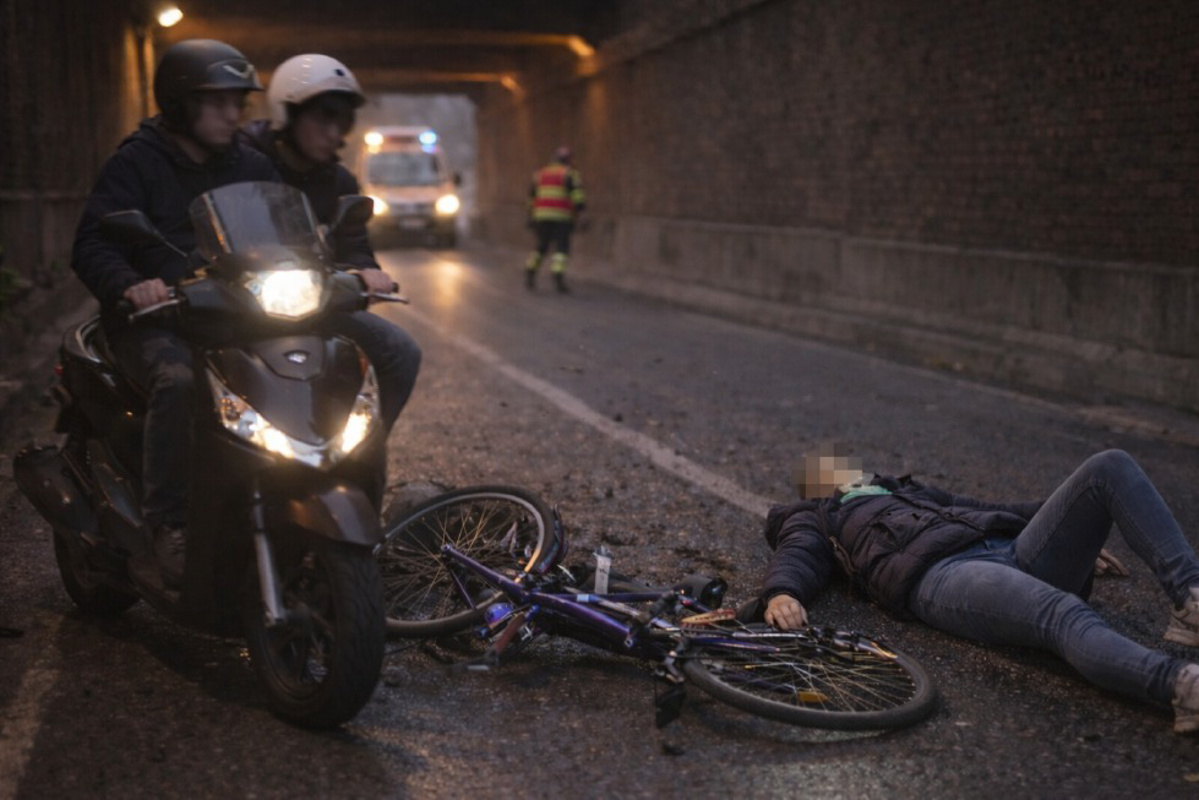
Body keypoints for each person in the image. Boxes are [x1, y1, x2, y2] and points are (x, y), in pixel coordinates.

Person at [757, 445, 1199, 734]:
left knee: (1109, 467)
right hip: (945, 574)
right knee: (1061, 613)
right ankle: (1179, 688)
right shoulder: (814, 515)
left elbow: (989, 509)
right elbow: (798, 554)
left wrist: (1076, 524)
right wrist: (781, 592)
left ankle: (1190, 598)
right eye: (825, 471)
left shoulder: (898, 490)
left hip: (1010, 549)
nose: (839, 470)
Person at [71, 39, 279, 587]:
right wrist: (132, 285)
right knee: (180, 380)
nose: (234, 115)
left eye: (240, 103)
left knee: (307, 365)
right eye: (219, 102)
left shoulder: (252, 165)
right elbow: (92, 244)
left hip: (237, 318)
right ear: (181, 103)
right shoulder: (137, 162)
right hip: (157, 323)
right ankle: (170, 522)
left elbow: (284, 234)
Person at [240, 53, 421, 438]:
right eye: (324, 118)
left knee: (399, 350)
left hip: (310, 303)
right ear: (288, 114)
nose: (335, 133)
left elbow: (354, 242)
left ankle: (362, 452)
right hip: (239, 304)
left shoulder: (339, 181)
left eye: (342, 121)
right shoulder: (243, 164)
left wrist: (364, 270)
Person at [525, 146, 586, 293]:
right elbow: (577, 196)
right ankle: (558, 277)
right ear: (568, 160)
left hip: (541, 216)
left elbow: (531, 197)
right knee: (561, 248)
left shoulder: (540, 174)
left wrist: (530, 216)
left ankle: (530, 272)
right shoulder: (569, 174)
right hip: (562, 217)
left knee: (541, 246)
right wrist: (582, 214)